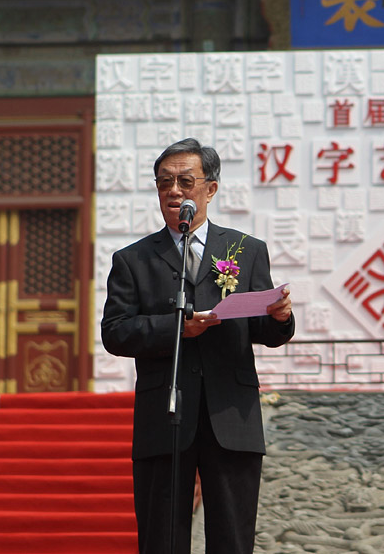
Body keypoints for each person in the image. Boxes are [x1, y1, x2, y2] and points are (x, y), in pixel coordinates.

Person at [101, 138, 294, 554]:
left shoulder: (246, 250)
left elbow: (265, 329)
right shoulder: (133, 260)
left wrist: (280, 317)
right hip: (165, 413)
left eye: (186, 182)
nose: (174, 191)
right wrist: (177, 329)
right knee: (162, 539)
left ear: (211, 189)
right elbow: (115, 332)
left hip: (231, 414)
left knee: (232, 539)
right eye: (164, 182)